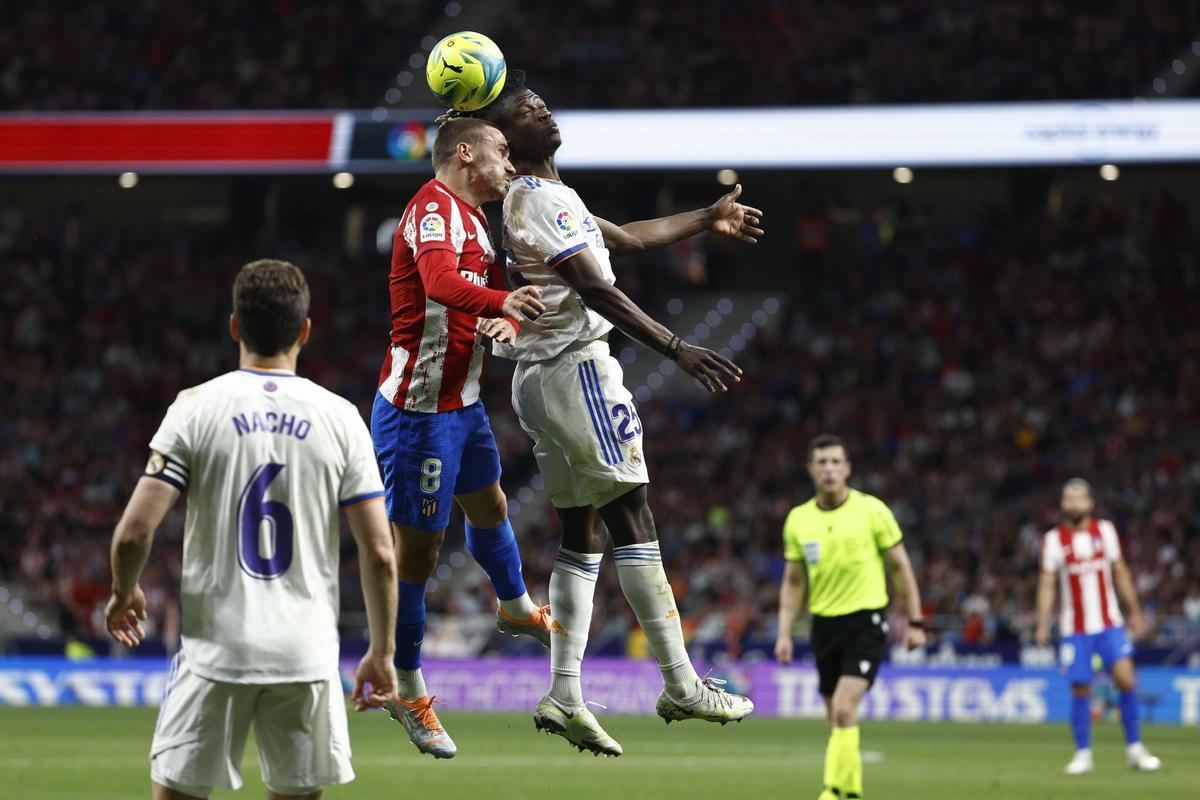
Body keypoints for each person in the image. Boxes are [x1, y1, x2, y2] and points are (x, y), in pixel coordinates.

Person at [458, 70, 762, 756]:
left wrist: (706, 219)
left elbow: (624, 238)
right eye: (526, 109)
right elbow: (596, 287)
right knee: (633, 513)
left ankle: (564, 692)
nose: (542, 106)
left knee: (581, 532)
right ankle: (681, 682)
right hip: (576, 370)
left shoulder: (545, 198)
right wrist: (676, 346)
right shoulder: (535, 199)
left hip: (540, 380)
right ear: (508, 141)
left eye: (541, 100)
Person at [104, 259, 399, 800]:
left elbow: (132, 533)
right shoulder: (340, 418)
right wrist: (382, 651)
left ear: (234, 326)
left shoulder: (195, 409)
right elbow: (380, 552)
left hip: (215, 650)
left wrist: (125, 592)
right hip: (304, 653)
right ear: (305, 330)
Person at [370, 116, 551, 758]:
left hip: (464, 404)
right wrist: (502, 302)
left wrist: (495, 327)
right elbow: (442, 285)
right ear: (467, 154)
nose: (511, 164)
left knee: (493, 504)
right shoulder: (432, 208)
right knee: (416, 558)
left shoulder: (474, 218)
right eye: (503, 153)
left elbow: (457, 312)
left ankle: (516, 607)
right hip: (417, 414)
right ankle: (405, 689)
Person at [775, 434, 926, 800]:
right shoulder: (798, 520)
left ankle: (833, 789)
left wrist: (916, 621)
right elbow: (794, 582)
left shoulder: (872, 511)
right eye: (821, 462)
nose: (828, 469)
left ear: (847, 469)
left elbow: (901, 567)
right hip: (824, 624)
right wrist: (784, 632)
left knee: (844, 708)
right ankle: (852, 790)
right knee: (835, 718)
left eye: (835, 462)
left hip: (866, 621)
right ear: (810, 469)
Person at [1035, 478, 1162, 775]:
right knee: (1080, 687)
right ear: (1062, 504)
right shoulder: (1053, 540)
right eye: (1068, 498)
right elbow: (1046, 583)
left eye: (1079, 497)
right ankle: (1083, 754)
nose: (1074, 503)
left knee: (1126, 679)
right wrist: (1042, 622)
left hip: (1109, 623)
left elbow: (1120, 572)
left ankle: (1135, 748)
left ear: (1090, 503)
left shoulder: (1105, 531)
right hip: (1074, 628)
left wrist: (1135, 612)